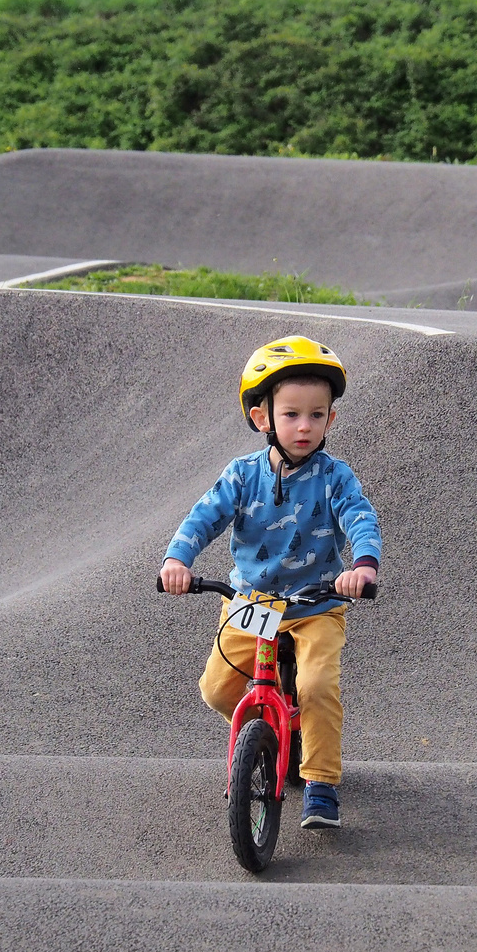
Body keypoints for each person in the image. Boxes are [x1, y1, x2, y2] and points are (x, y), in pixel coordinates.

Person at [159, 336, 382, 829]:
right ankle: (261, 741)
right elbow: (203, 519)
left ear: (330, 419)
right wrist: (178, 559)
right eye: (291, 414)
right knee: (218, 690)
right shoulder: (241, 476)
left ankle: (321, 782)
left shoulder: (335, 478)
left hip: (316, 603)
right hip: (252, 601)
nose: (304, 426)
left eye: (317, 415)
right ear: (263, 418)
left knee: (318, 685)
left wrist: (362, 566)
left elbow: (360, 519)